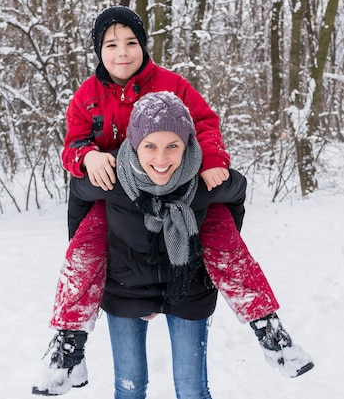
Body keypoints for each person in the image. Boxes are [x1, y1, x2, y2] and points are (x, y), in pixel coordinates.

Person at [32, 93, 313, 397]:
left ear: (188, 144)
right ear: (135, 144)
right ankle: (69, 344)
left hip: (188, 288)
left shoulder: (204, 181)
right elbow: (79, 195)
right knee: (129, 388)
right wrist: (92, 252)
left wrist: (210, 248)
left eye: (173, 146)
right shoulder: (113, 179)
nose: (161, 159)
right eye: (150, 146)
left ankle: (269, 329)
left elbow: (237, 193)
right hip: (128, 287)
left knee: (192, 389)